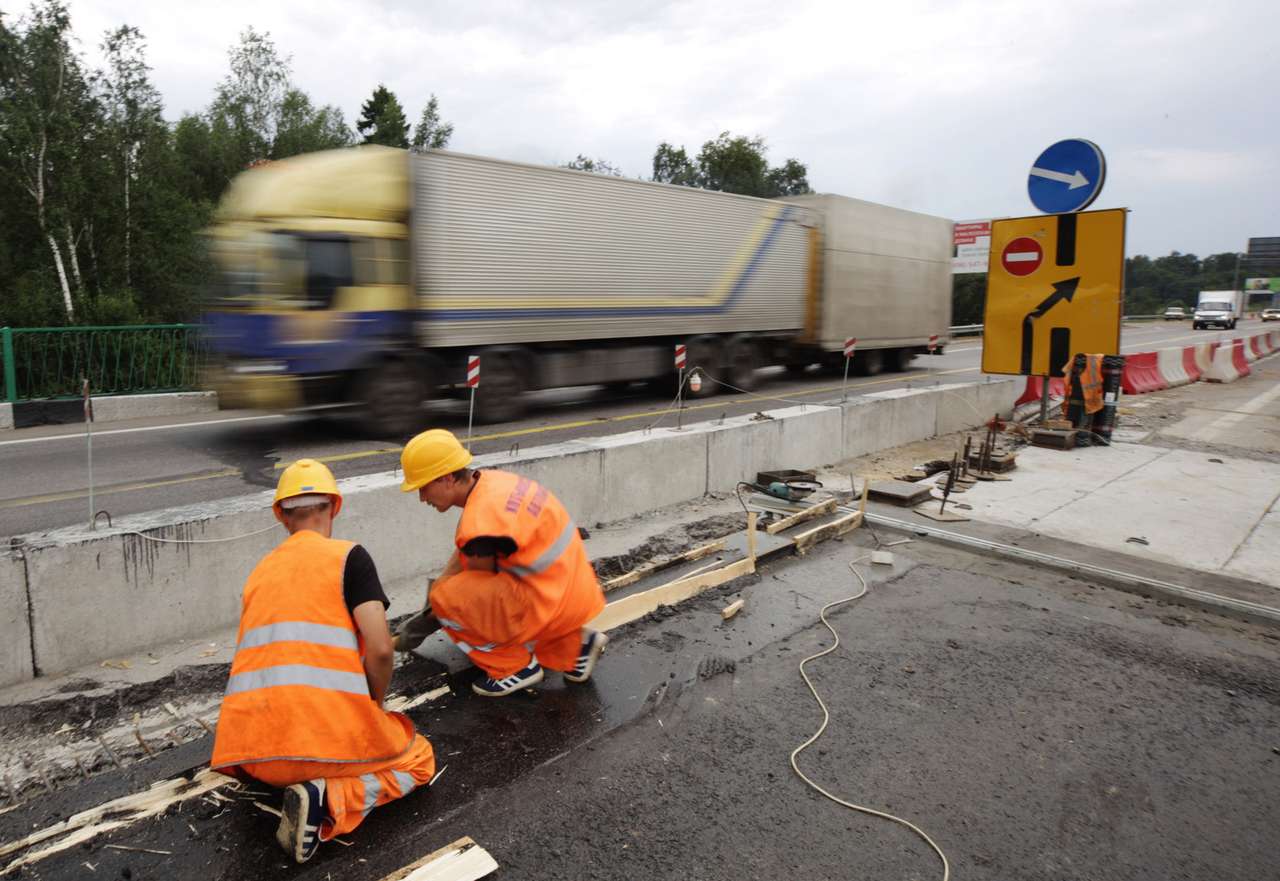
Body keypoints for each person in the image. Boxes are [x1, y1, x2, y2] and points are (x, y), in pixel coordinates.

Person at [210, 459, 436, 864]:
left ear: (281, 516)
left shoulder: (260, 572)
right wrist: (375, 705)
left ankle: (306, 782)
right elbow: (382, 648)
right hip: (316, 748)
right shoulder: (349, 557)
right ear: (334, 507)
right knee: (419, 760)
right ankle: (328, 798)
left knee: (307, 756)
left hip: (251, 755)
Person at [396, 429, 608, 697]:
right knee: (452, 590)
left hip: (549, 601)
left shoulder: (480, 522)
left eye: (424, 487)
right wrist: (438, 590)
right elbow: (465, 555)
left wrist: (428, 616)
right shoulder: (493, 484)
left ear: (447, 478)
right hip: (576, 591)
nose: (422, 498)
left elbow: (471, 592)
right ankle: (578, 647)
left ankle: (514, 669)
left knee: (451, 600)